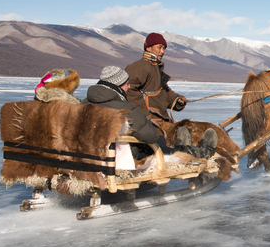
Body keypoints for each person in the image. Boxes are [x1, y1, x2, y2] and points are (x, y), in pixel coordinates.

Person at [85, 65, 216, 159]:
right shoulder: (125, 108)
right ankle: (200, 153)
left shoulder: (82, 105)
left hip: (90, 157)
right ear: (118, 86)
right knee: (158, 145)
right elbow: (151, 136)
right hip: (125, 158)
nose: (129, 87)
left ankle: (181, 147)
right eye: (126, 84)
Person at [125, 32, 188, 120]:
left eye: (164, 48)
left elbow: (164, 93)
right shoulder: (140, 66)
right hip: (149, 121)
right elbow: (128, 90)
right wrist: (145, 116)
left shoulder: (156, 68)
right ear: (148, 48)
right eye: (159, 47)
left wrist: (177, 100)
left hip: (160, 118)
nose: (162, 51)